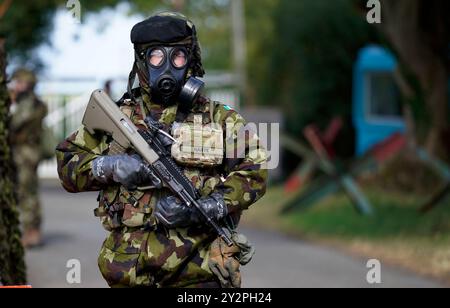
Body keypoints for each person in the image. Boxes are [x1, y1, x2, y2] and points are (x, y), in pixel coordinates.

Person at [56, 12, 267, 288]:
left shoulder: (218, 118)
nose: (167, 66)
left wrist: (208, 206)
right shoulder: (118, 117)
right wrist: (108, 167)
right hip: (127, 273)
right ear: (142, 61)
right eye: (156, 56)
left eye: (178, 56)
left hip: (199, 275)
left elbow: (256, 169)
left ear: (191, 60)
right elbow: (68, 161)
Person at [8, 68, 47, 248]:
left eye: (19, 82)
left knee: (26, 193)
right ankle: (32, 231)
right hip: (28, 152)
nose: (16, 85)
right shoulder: (34, 102)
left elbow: (14, 124)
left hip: (25, 153)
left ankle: (31, 232)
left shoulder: (28, 103)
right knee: (28, 191)